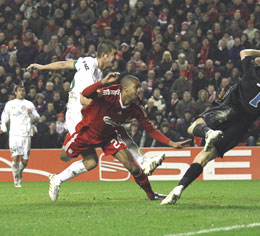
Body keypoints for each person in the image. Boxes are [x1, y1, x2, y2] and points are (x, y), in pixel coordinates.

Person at [161, 41, 260, 205]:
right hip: (239, 128)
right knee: (203, 158)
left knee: (192, 127)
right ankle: (179, 188)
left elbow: (244, 53)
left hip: (226, 111)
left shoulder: (253, 71)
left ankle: (207, 133)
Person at [27, 40, 163, 176]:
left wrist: (42, 67)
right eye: (114, 54)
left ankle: (143, 161)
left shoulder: (91, 66)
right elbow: (84, 99)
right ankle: (60, 169)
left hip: (86, 112)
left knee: (113, 134)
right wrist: (112, 110)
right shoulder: (90, 70)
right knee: (73, 157)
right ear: (104, 55)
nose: (116, 58)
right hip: (77, 114)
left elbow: (64, 64)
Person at [48, 74, 190, 201]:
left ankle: (151, 195)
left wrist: (171, 143)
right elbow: (86, 93)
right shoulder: (111, 93)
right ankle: (57, 178)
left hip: (109, 136)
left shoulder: (137, 106)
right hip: (86, 132)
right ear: (125, 89)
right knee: (68, 158)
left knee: (133, 167)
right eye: (136, 87)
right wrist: (102, 82)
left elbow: (150, 129)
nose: (139, 90)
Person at [0, 85, 40, 187]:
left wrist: (32, 114)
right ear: (15, 92)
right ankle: (16, 180)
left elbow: (37, 118)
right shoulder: (10, 104)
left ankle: (19, 172)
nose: (21, 92)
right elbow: (4, 117)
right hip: (14, 135)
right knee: (15, 158)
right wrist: (3, 128)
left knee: (25, 161)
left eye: (23, 90)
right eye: (19, 90)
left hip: (26, 134)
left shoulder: (29, 104)